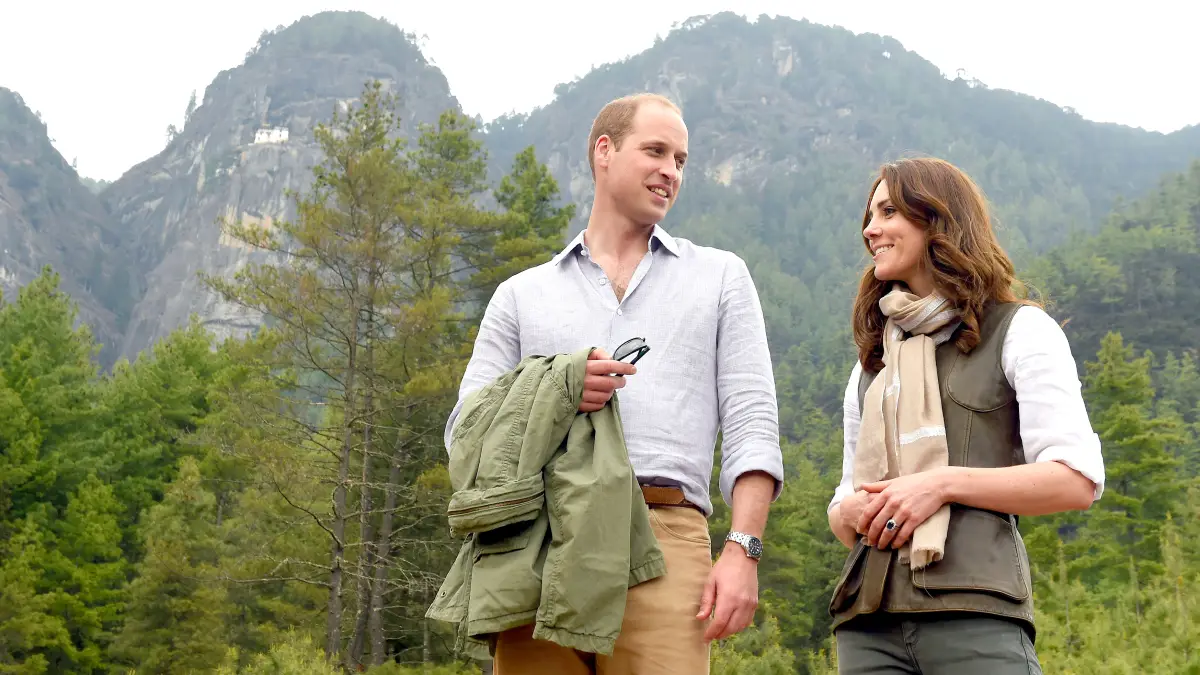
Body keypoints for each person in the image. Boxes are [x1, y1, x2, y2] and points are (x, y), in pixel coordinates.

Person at [444, 92, 785, 674]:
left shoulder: (721, 277)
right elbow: (463, 432)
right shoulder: (522, 295)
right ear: (604, 151)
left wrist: (743, 549)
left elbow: (753, 424)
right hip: (539, 542)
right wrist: (555, 392)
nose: (670, 171)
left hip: (667, 541)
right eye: (655, 151)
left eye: (680, 160)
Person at [825, 157, 1106, 674]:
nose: (871, 229)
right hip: (866, 623)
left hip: (976, 614)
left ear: (938, 219)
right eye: (869, 215)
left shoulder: (1021, 331)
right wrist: (851, 512)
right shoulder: (871, 365)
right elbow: (844, 507)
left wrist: (942, 484)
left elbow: (1075, 480)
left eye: (889, 211)